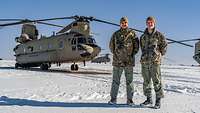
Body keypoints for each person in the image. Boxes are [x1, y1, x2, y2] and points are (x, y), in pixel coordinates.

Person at [108, 17, 139, 105]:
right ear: (120, 24)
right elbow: (111, 46)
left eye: (125, 22)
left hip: (129, 62)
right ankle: (113, 99)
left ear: (127, 23)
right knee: (115, 81)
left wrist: (131, 55)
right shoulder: (115, 34)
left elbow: (136, 47)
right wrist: (117, 55)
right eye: (122, 22)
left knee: (129, 81)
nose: (124, 24)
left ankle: (130, 100)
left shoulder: (132, 34)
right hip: (117, 62)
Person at [140, 16, 167, 109]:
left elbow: (164, 47)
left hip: (155, 62)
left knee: (157, 81)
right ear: (146, 23)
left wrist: (158, 54)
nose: (150, 24)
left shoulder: (159, 35)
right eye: (148, 22)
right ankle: (149, 99)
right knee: (146, 82)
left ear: (154, 23)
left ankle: (158, 101)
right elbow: (142, 48)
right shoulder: (143, 37)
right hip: (145, 62)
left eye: (151, 22)